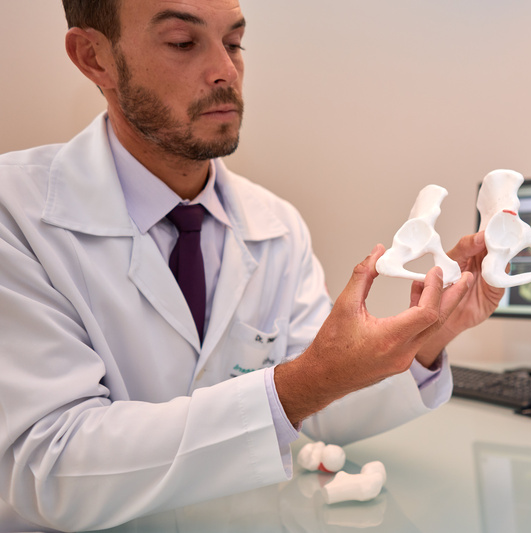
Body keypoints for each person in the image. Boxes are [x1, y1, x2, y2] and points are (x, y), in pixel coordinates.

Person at [0, 0, 503, 531]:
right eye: (182, 43)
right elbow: (50, 468)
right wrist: (296, 385)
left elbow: (318, 410)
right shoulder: (16, 213)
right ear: (94, 57)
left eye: (234, 43)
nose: (226, 70)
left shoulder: (276, 225)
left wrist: (429, 334)